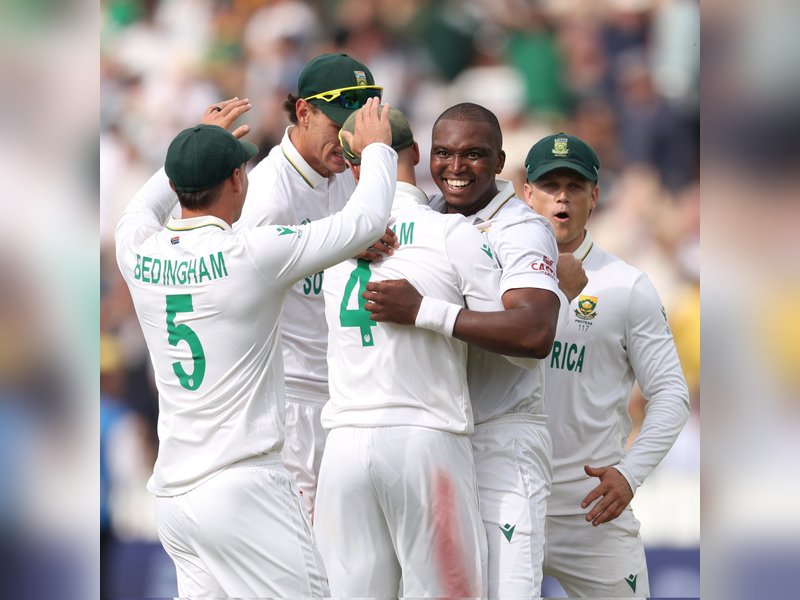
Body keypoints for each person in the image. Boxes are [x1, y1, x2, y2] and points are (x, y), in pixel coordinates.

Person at [114, 97, 396, 597]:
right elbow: (367, 221)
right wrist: (376, 149)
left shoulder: (136, 249)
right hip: (243, 485)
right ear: (237, 180)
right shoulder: (251, 254)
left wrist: (194, 142)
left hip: (174, 497)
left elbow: (142, 207)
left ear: (177, 186)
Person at [364, 102, 584, 598]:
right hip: (436, 440)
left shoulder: (521, 228)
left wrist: (424, 310)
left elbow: (534, 335)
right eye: (443, 153)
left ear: (500, 161)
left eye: (473, 155)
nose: (456, 167)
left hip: (502, 439)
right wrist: (357, 240)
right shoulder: (422, 217)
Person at [523, 132, 691, 597]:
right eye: (550, 185)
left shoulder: (626, 285)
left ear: (595, 196)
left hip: (594, 508)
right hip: (510, 500)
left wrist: (630, 474)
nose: (561, 197)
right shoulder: (491, 270)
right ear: (527, 193)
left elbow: (671, 395)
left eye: (574, 186)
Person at [237, 52, 397, 517]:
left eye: (357, 128)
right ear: (304, 112)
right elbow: (243, 291)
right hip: (288, 401)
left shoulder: (345, 176)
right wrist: (344, 246)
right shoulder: (267, 195)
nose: (348, 139)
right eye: (338, 124)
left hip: (346, 395)